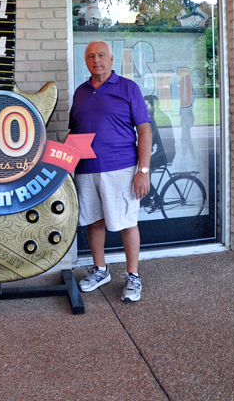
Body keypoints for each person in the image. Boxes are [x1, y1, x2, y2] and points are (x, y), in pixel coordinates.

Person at [69, 40, 152, 302]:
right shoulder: (80, 92)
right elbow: (75, 131)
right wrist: (65, 164)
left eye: (102, 55)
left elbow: (144, 131)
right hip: (86, 169)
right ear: (86, 61)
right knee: (94, 221)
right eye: (91, 56)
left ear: (112, 59)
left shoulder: (128, 88)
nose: (97, 60)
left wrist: (144, 170)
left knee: (127, 222)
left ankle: (133, 276)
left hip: (121, 168)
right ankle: (100, 270)